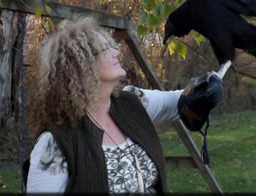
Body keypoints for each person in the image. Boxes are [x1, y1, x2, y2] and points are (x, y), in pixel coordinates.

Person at [26, 17, 215, 193]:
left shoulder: (131, 103)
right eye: (106, 49)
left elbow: (178, 101)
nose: (117, 52)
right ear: (82, 65)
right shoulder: (55, 144)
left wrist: (207, 86)